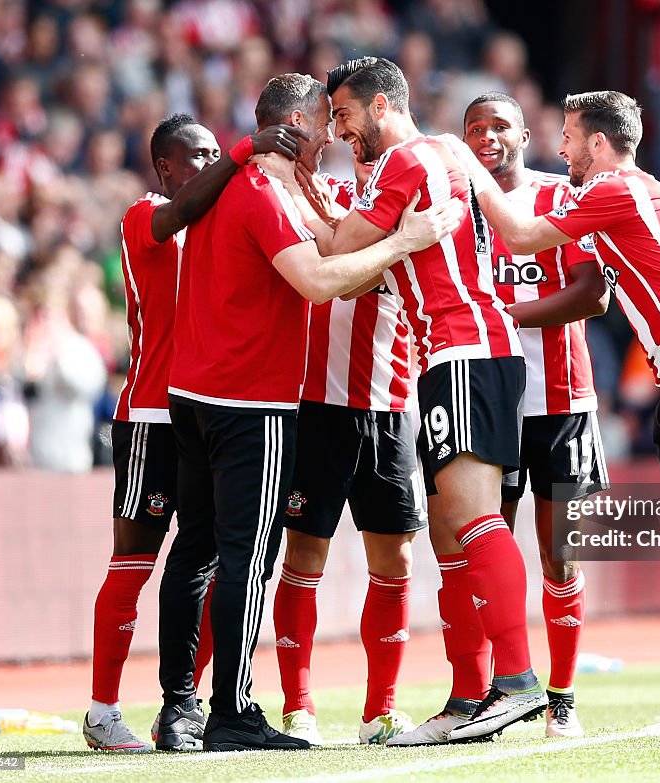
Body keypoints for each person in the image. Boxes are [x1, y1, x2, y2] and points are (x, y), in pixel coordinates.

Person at [446, 89, 660, 735]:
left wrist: (465, 166)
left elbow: (518, 231)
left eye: (569, 136)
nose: (561, 148)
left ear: (598, 143)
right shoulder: (620, 196)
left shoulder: (617, 189)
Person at [156, 72, 461, 753]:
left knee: (198, 552)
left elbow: (318, 250)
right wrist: (405, 241)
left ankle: (181, 705)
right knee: (249, 559)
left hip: (203, 393)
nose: (333, 131)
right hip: (253, 402)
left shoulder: (245, 187)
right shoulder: (265, 192)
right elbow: (320, 279)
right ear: (296, 121)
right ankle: (235, 710)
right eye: (326, 118)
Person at [286, 57, 546, 745]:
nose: (339, 130)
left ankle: (515, 682)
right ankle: (468, 696)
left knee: (470, 517)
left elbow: (340, 252)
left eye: (342, 114)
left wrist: (294, 191)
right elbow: (518, 232)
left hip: (458, 350)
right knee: (450, 534)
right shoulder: (452, 151)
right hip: (468, 351)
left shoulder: (405, 161)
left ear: (379, 106)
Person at [83, 112, 307, 752]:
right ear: (165, 168)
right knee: (134, 564)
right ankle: (102, 708)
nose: (212, 161)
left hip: (210, 408)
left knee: (214, 560)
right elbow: (175, 216)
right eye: (197, 154)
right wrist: (241, 153)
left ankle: (182, 707)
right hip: (152, 414)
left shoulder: (223, 212)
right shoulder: (146, 214)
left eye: (215, 150)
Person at [445, 91, 609, 740]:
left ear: (525, 133)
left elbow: (593, 294)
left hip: (562, 400)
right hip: (488, 402)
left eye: (499, 126)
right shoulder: (454, 210)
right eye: (474, 127)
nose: (487, 136)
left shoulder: (559, 197)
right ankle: (499, 686)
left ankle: (562, 696)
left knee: (559, 556)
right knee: (488, 546)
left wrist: (501, 316)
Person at [273, 164, 424, 745]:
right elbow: (322, 269)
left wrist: (373, 255)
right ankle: (298, 707)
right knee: (304, 553)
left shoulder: (419, 196)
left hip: (389, 405)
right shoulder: (328, 191)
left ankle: (379, 712)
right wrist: (389, 247)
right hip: (313, 407)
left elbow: (357, 272)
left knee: (396, 561)